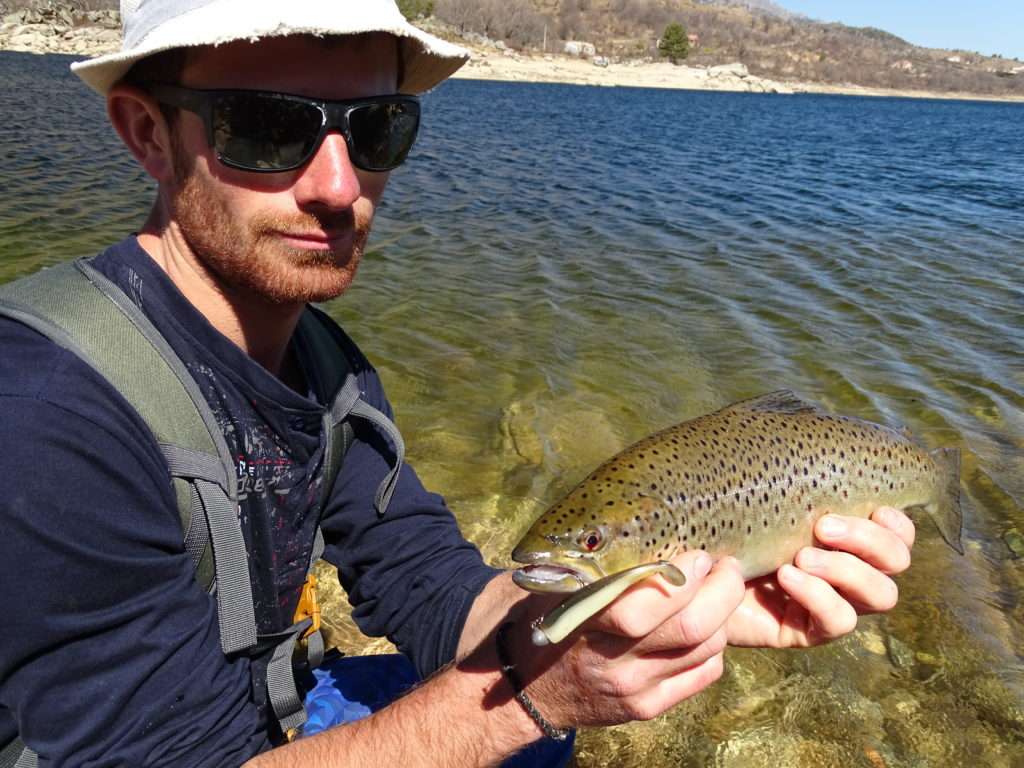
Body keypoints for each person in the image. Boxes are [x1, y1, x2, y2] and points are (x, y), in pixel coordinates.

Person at [0, 1, 917, 766]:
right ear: (147, 134)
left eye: (376, 129)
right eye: (267, 127)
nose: (336, 183)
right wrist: (525, 698)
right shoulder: (47, 409)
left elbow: (428, 582)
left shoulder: (323, 362)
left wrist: (617, 622)